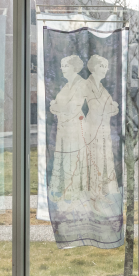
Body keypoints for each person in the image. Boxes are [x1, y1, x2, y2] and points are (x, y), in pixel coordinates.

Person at [48, 54, 89, 203]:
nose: (62, 69)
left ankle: (75, 193)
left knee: (73, 158)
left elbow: (73, 107)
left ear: (74, 67)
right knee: (64, 158)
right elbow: (58, 106)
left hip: (75, 127)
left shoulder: (81, 84)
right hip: (64, 127)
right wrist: (56, 107)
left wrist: (56, 107)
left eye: (65, 66)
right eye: (62, 66)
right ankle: (65, 192)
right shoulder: (67, 85)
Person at [81, 54, 120, 203]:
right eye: (101, 66)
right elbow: (96, 106)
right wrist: (108, 108)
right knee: (94, 159)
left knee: (105, 158)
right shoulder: (87, 85)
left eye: (106, 66)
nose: (105, 69)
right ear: (93, 67)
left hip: (104, 127)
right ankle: (93, 193)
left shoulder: (102, 88)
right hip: (93, 126)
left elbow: (113, 108)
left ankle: (102, 192)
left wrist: (109, 108)